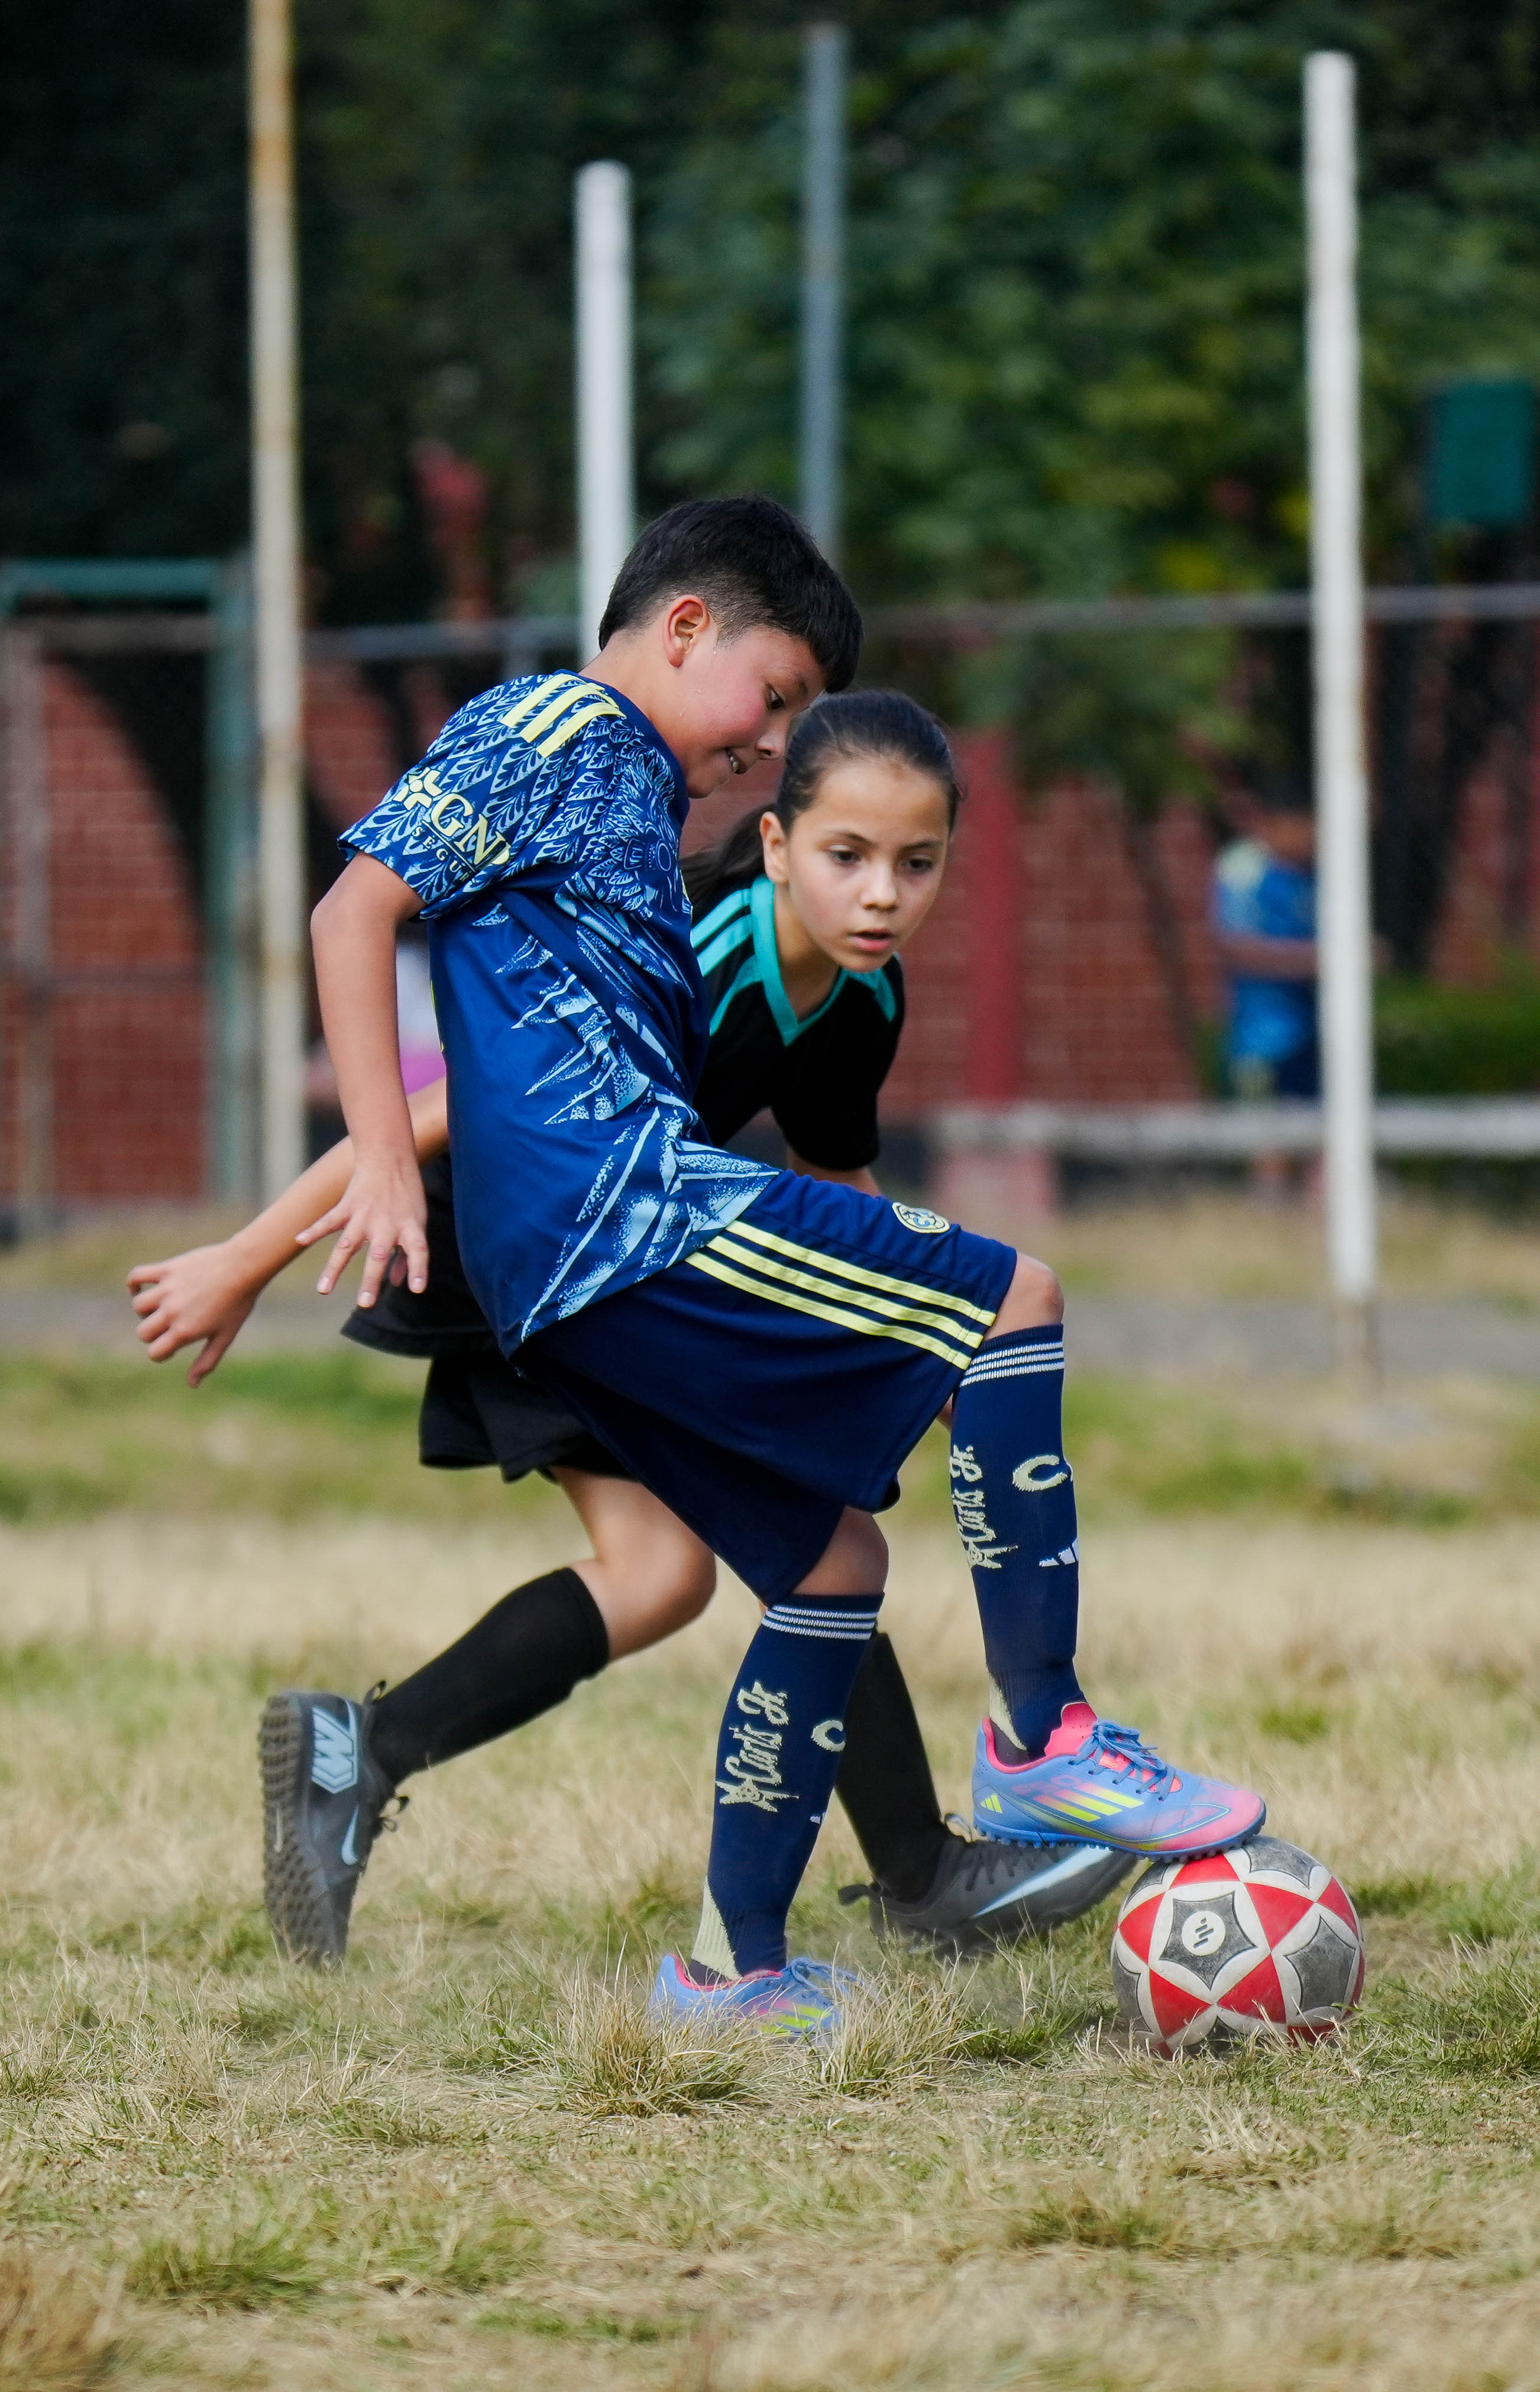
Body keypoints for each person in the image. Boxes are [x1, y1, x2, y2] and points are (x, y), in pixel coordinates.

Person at [302, 496, 1266, 2035]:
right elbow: (356, 910)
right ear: (686, 629)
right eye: (778, 701)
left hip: (579, 1263)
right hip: (620, 1214)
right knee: (1013, 1294)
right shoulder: (562, 721)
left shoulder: (632, 797)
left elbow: (818, 1166)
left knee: (828, 1566)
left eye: (912, 859)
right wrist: (359, 1159)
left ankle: (727, 1971)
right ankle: (1046, 1737)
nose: (774, 738)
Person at [130, 688, 1135, 1964]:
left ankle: (359, 1753)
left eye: (914, 863)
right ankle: (922, 1872)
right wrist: (248, 1253)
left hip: (632, 1257)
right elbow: (444, 1110)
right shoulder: (705, 952)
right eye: (848, 855)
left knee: (665, 1576)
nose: (881, 892)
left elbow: (833, 1179)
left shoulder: (863, 996)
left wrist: (935, 1337)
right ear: (776, 843)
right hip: (517, 1249)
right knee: (802, 1527)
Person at [1213, 783, 1318, 1196]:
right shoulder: (1244, 869)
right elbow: (1237, 948)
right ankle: (1269, 1212)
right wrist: (1324, 958)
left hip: (1312, 1027)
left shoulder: (1313, 870)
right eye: (1302, 827)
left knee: (1319, 1133)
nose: (1309, 839)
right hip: (1261, 1034)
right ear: (1273, 826)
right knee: (1267, 1138)